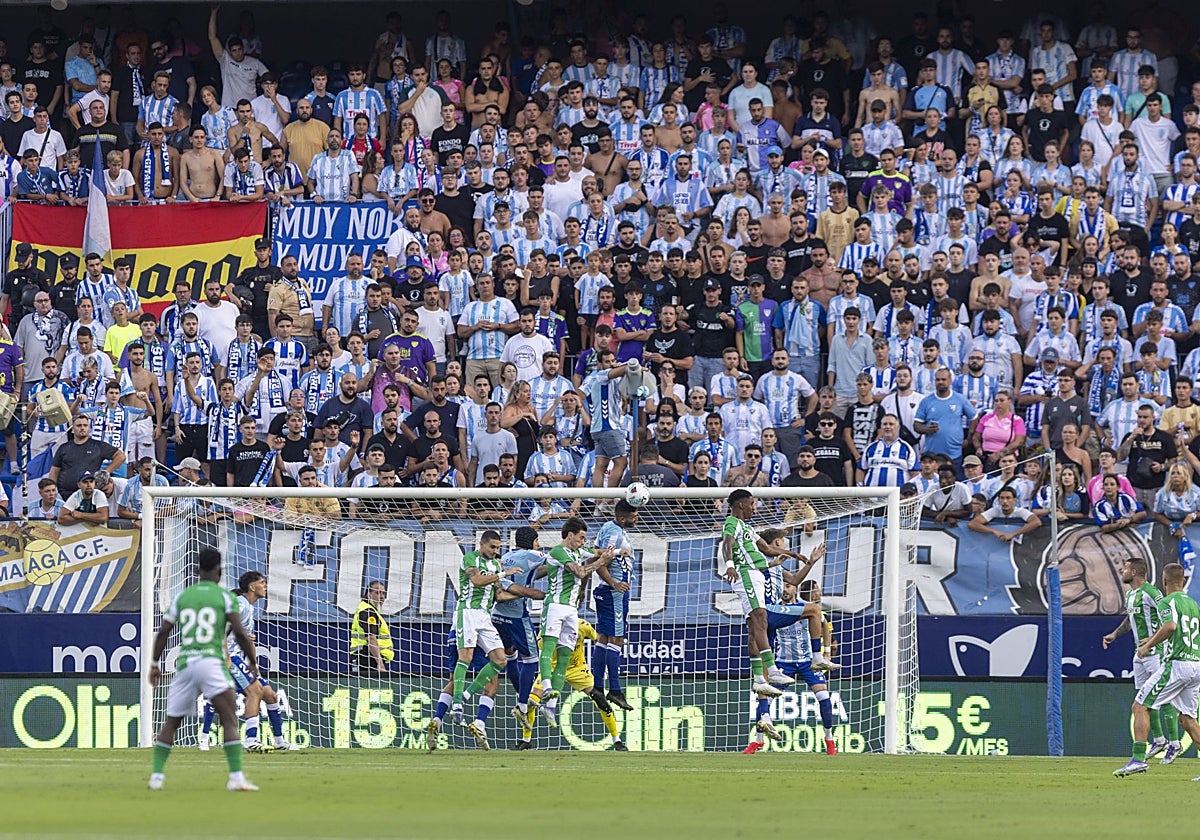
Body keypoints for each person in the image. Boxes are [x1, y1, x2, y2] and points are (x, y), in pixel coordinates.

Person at [147, 547, 259, 792]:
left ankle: (156, 777)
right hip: (212, 662)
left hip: (186, 663)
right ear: (219, 570)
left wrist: (155, 664)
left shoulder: (183, 597)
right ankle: (236, 777)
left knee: (171, 723)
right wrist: (252, 660)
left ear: (198, 570)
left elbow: (164, 631)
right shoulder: (226, 597)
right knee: (229, 718)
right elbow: (240, 633)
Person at [1113, 562, 1200, 777]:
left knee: (1140, 706)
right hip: (1196, 664)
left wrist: (1148, 644)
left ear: (1164, 581)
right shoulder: (1192, 603)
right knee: (1188, 719)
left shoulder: (1167, 602)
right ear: (1184, 581)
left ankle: (1138, 760)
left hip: (1177, 664)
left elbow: (1170, 626)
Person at [197, 570, 295, 753]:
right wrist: (226, 657)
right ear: (252, 587)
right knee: (253, 691)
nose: (265, 586)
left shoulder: (249, 608)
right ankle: (250, 739)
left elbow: (248, 640)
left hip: (239, 658)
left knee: (270, 695)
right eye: (262, 583)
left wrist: (253, 663)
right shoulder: (240, 604)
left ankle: (279, 740)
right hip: (229, 657)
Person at [721, 488, 805, 699]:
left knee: (754, 627)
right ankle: (773, 671)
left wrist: (791, 553)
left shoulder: (746, 527)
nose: (754, 507)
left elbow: (766, 549)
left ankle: (759, 678)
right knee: (761, 618)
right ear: (741, 505)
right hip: (747, 574)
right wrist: (730, 564)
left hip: (757, 573)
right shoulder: (732, 523)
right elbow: (727, 543)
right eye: (751, 503)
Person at [538, 517, 613, 705]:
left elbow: (596, 551)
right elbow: (580, 572)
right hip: (555, 606)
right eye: (580, 538)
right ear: (570, 535)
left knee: (565, 656)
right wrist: (600, 561)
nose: (582, 542)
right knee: (549, 647)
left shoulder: (579, 551)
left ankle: (550, 706)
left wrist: (620, 551)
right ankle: (546, 686)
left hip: (571, 610)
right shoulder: (558, 551)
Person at [592, 500, 640, 711]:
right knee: (617, 639)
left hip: (607, 591)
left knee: (603, 638)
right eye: (633, 515)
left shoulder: (609, 528)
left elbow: (595, 551)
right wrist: (614, 583)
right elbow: (601, 560)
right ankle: (615, 689)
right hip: (614, 593)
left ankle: (596, 686)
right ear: (622, 518)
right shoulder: (615, 534)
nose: (636, 517)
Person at [968, 485, 1042, 541]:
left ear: (1014, 500)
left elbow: (1036, 522)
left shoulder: (1020, 511)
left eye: (1008, 498)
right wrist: (994, 531)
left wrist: (1013, 534)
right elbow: (972, 524)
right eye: (1002, 498)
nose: (1005, 501)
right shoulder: (995, 510)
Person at [350, 580, 393, 675]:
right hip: (366, 658)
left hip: (368, 658)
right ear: (368, 594)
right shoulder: (368, 611)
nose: (381, 597)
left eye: (383, 593)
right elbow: (371, 638)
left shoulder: (369, 609)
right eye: (377, 592)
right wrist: (380, 664)